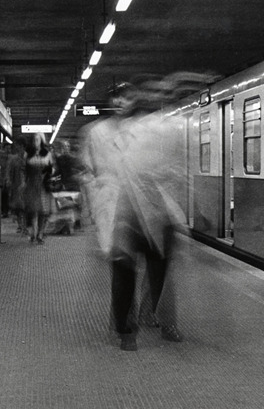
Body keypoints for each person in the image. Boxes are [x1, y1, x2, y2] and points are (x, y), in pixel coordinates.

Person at [81, 80, 186, 351]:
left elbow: (163, 164)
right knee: (123, 271)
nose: (120, 103)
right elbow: (90, 171)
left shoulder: (144, 128)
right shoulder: (96, 132)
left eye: (126, 98)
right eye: (115, 98)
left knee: (159, 267)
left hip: (149, 205)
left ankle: (159, 319)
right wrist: (95, 208)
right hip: (116, 207)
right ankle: (124, 328)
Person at [23, 132, 56, 244]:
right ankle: (33, 232)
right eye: (34, 140)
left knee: (43, 210)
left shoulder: (47, 154)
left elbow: (52, 170)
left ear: (41, 141)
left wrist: (47, 174)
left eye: (37, 140)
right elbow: (24, 170)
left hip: (43, 185)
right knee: (32, 210)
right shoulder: (28, 154)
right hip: (31, 185)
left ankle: (40, 234)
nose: (35, 142)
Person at [6, 136, 27, 234]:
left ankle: (25, 225)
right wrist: (9, 180)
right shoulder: (13, 159)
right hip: (16, 184)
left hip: (27, 185)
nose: (17, 147)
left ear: (22, 146)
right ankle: (20, 225)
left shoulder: (28, 158)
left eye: (18, 145)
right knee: (18, 206)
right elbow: (9, 171)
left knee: (26, 206)